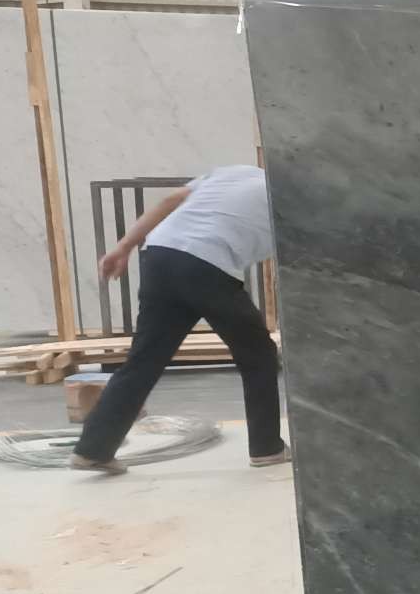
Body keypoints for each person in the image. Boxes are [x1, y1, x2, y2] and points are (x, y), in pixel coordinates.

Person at [71, 165, 289, 475]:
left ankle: (93, 450)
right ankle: (267, 448)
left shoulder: (232, 172)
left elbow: (169, 201)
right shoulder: (292, 195)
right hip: (208, 265)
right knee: (259, 354)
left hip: (159, 255)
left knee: (144, 360)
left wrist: (123, 246)